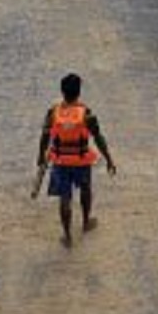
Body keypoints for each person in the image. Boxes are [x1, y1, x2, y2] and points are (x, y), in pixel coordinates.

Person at [35, 73, 117, 249]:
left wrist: (41, 156)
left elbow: (44, 136)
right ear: (79, 92)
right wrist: (109, 159)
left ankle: (67, 235)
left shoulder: (53, 112)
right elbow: (98, 138)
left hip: (60, 161)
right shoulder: (87, 114)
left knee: (64, 198)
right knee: (86, 189)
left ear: (62, 91)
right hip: (81, 161)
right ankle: (86, 222)